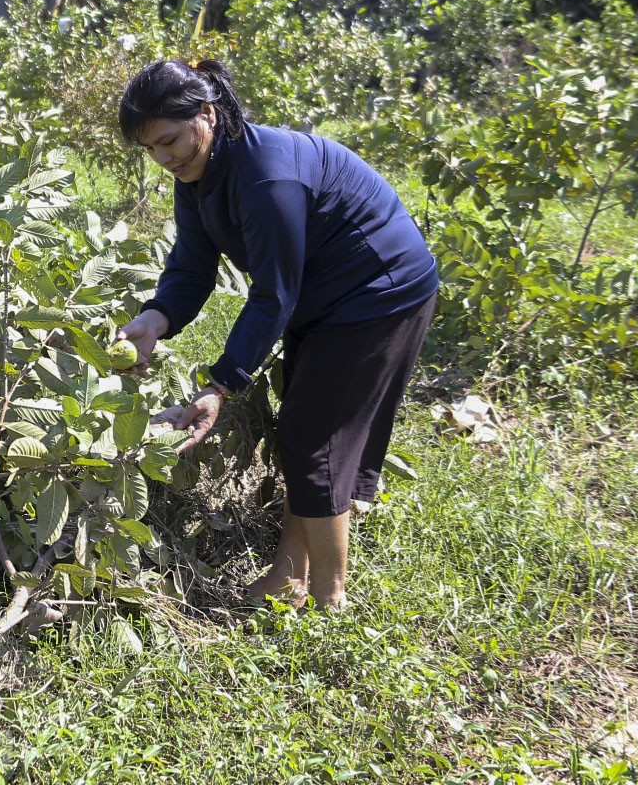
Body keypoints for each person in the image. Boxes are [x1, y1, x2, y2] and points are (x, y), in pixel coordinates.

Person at [116, 58, 438, 610]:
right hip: (325, 298)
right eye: (151, 150)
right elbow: (193, 266)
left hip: (378, 293)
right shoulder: (198, 172)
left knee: (313, 441)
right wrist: (155, 318)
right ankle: (288, 577)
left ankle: (329, 598)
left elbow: (273, 294)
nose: (163, 159)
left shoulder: (266, 176)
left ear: (208, 115)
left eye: (169, 141)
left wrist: (219, 387)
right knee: (305, 430)